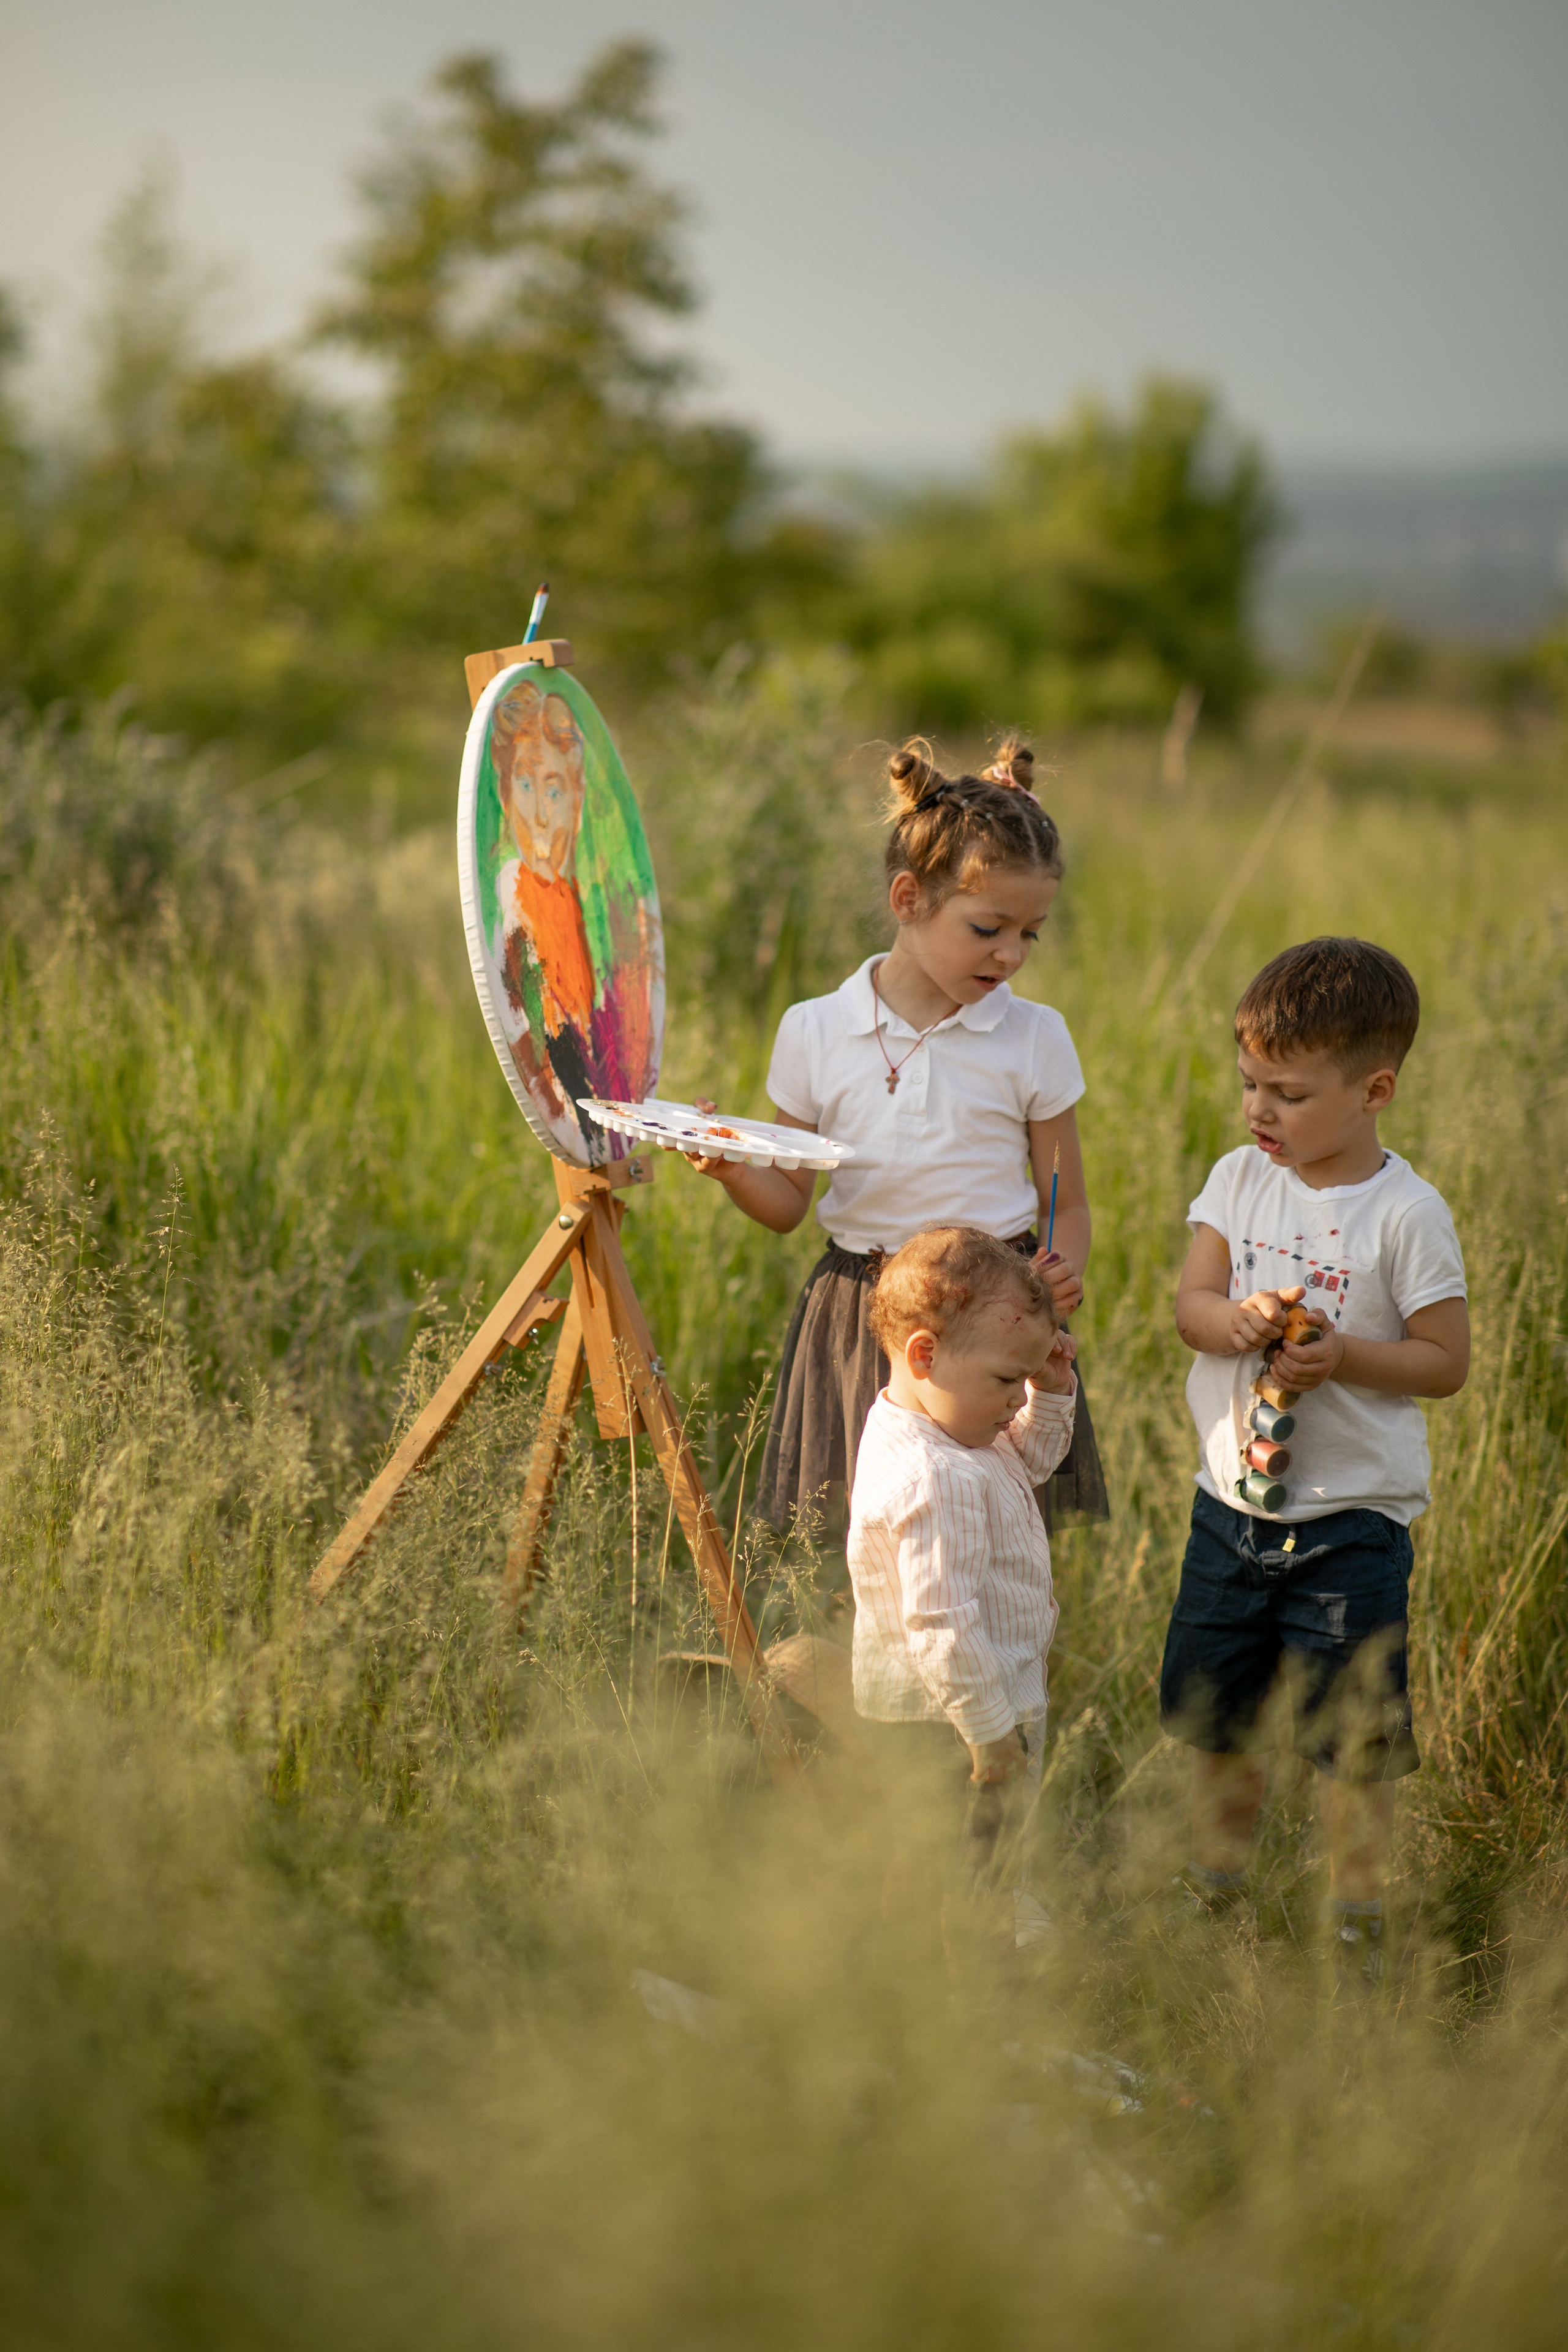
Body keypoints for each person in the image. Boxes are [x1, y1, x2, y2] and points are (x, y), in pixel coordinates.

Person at [687, 737, 1107, 1534]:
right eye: (988, 928)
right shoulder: (813, 1030)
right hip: (862, 1313)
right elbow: (785, 1202)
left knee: (988, 1526)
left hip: (997, 1313)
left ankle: (990, 1661)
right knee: (872, 1537)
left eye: (1031, 934)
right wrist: (729, 1166)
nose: (1012, 955)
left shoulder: (1035, 1037)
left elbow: (1070, 1205)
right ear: (908, 898)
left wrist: (1056, 1280)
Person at [1160, 937, 1469, 1981]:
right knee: (1218, 1719)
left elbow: (1444, 1361)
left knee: (1354, 1744)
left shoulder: (1405, 1215)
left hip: (1351, 1526)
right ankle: (1215, 1887)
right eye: (1250, 1083)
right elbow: (1189, 1306)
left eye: (1288, 1094)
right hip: (1229, 1510)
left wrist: (1346, 1360)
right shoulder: (1239, 1181)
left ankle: (1356, 1916)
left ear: (1374, 1089)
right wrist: (1232, 1316)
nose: (1260, 1112)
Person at [846, 1226, 1077, 1944]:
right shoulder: (933, 1476)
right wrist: (989, 1736)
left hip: (978, 1705)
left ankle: (973, 1943)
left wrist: (1052, 1387)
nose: (1017, 1400)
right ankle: (968, 1995)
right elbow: (941, 1625)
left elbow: (1032, 1460)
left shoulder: (946, 1425)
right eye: (1008, 1380)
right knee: (962, 1871)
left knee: (966, 1867)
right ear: (925, 1354)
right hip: (948, 1727)